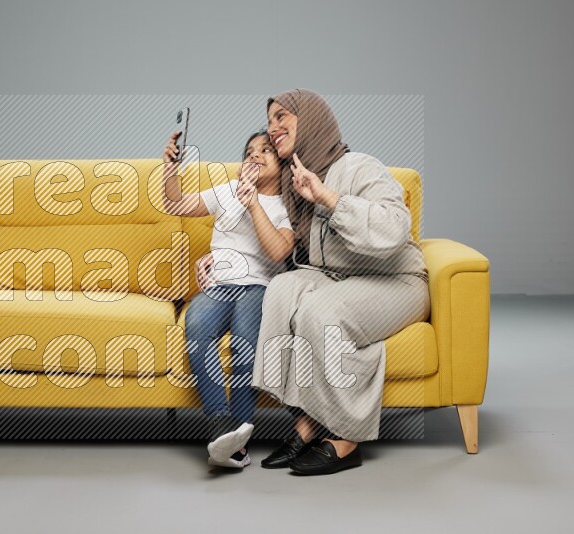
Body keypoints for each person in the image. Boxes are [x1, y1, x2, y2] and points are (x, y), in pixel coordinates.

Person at [208, 89, 430, 475]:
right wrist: (221, 258)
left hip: (395, 280)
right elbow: (290, 254)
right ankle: (308, 419)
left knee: (321, 311)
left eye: (282, 117)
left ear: (310, 119)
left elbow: (396, 228)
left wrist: (327, 196)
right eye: (269, 121)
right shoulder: (294, 188)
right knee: (280, 292)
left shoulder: (360, 167)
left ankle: (346, 438)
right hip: (340, 279)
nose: (273, 128)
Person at [161, 130, 295, 468]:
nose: (256, 155)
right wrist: (170, 170)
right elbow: (174, 203)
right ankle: (223, 424)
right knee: (197, 325)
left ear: (282, 163)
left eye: (266, 150)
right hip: (219, 285)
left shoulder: (286, 207)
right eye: (250, 151)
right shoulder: (226, 193)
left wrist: (253, 203)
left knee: (245, 341)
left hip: (259, 287)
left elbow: (279, 249)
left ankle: (239, 442)